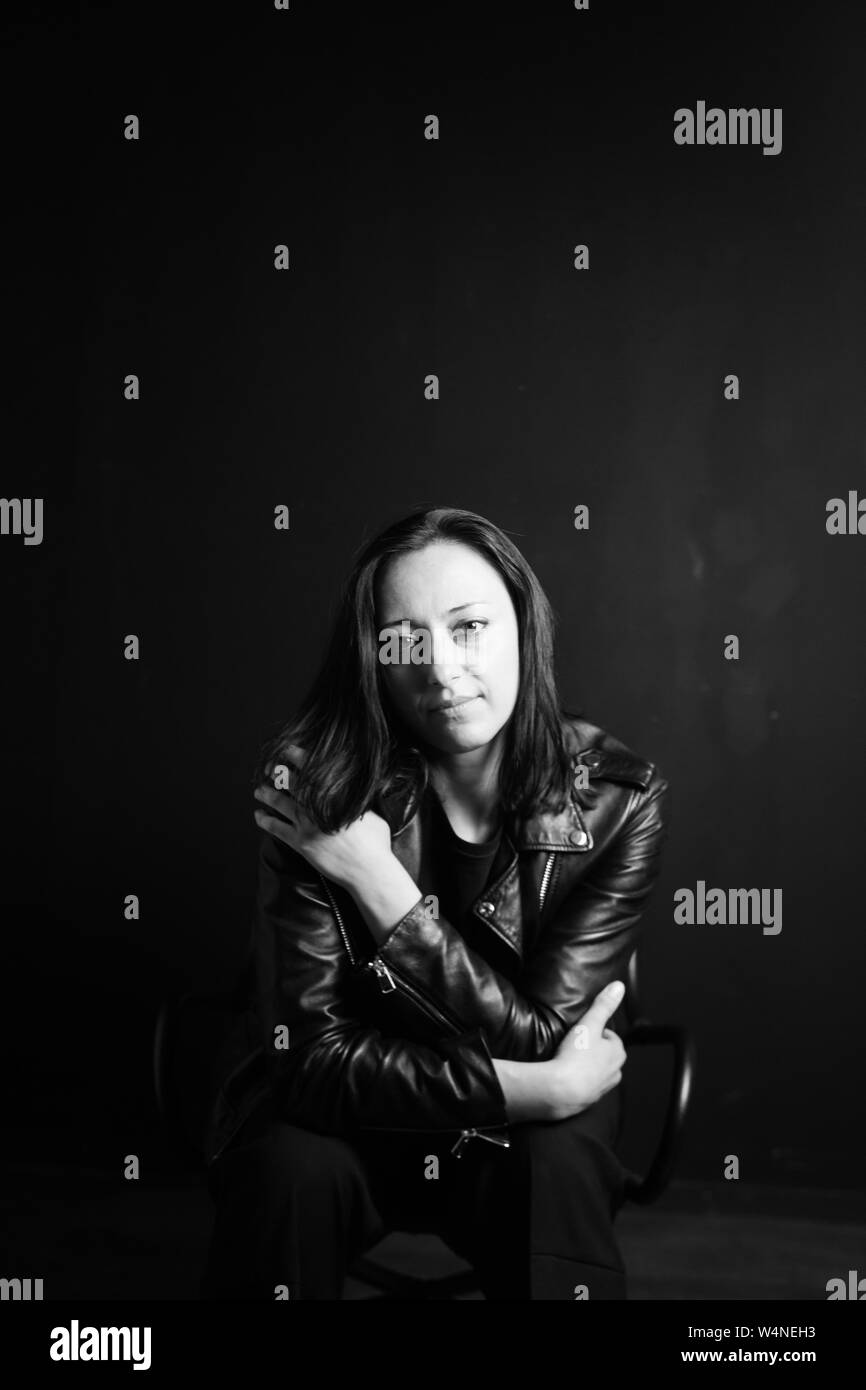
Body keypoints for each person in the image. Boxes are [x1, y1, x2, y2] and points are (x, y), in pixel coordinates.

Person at [200, 504, 670, 1300]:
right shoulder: (317, 788)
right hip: (351, 1119)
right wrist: (529, 1088)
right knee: (288, 1163)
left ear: (525, 626)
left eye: (470, 627)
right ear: (372, 660)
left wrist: (380, 887)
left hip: (524, 1138)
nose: (443, 670)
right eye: (404, 641)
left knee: (557, 1159)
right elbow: (308, 1061)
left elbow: (550, 1039)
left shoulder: (617, 802)